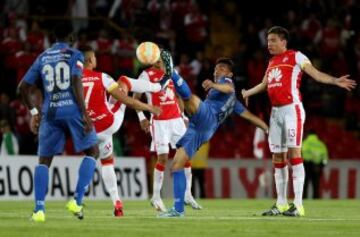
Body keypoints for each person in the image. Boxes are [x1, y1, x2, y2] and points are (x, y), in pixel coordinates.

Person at [241, 26, 356, 217]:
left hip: (291, 110)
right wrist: (248, 92)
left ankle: (299, 205)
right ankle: (281, 204)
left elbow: (316, 74)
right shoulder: (271, 62)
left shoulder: (296, 56)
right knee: (278, 157)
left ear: (283, 41)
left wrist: (335, 81)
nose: (269, 44)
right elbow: (265, 84)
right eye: (268, 41)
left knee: (294, 153)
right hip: (275, 113)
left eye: (273, 40)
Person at [158, 53, 269, 217]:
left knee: (190, 99)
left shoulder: (227, 83)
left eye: (222, 69)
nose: (217, 71)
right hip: (200, 129)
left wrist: (213, 85)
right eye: (216, 69)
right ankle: (178, 209)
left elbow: (229, 88)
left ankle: (172, 73)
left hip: (207, 118)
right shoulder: (234, 103)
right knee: (176, 166)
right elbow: (249, 116)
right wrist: (266, 128)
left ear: (230, 74)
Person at [18, 22, 100, 222]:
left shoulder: (42, 57)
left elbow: (22, 87)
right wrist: (85, 114)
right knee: (93, 151)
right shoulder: (75, 54)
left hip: (50, 113)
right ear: (71, 38)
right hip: (72, 110)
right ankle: (76, 201)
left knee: (44, 161)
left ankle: (39, 211)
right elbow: (75, 81)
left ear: (54, 38)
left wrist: (34, 112)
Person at [80, 45, 162, 216]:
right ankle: (158, 86)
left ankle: (117, 203)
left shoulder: (73, 81)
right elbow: (127, 101)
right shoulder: (101, 77)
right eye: (94, 57)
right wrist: (149, 108)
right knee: (124, 80)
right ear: (89, 61)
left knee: (106, 161)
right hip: (109, 123)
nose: (96, 59)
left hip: (89, 130)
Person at [134, 53, 202, 212]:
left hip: (176, 121)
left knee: (186, 155)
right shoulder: (146, 75)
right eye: (156, 60)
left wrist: (183, 116)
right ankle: (156, 196)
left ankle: (188, 194)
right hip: (159, 122)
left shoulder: (172, 72)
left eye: (161, 60)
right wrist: (141, 116)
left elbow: (179, 96)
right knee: (163, 158)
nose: (158, 63)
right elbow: (136, 96)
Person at [302, 130, 328, 199]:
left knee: (305, 183)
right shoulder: (321, 144)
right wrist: (322, 165)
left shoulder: (305, 143)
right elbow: (325, 157)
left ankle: (304, 198)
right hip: (318, 166)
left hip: (307, 165)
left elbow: (302, 154)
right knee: (316, 184)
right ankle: (316, 198)